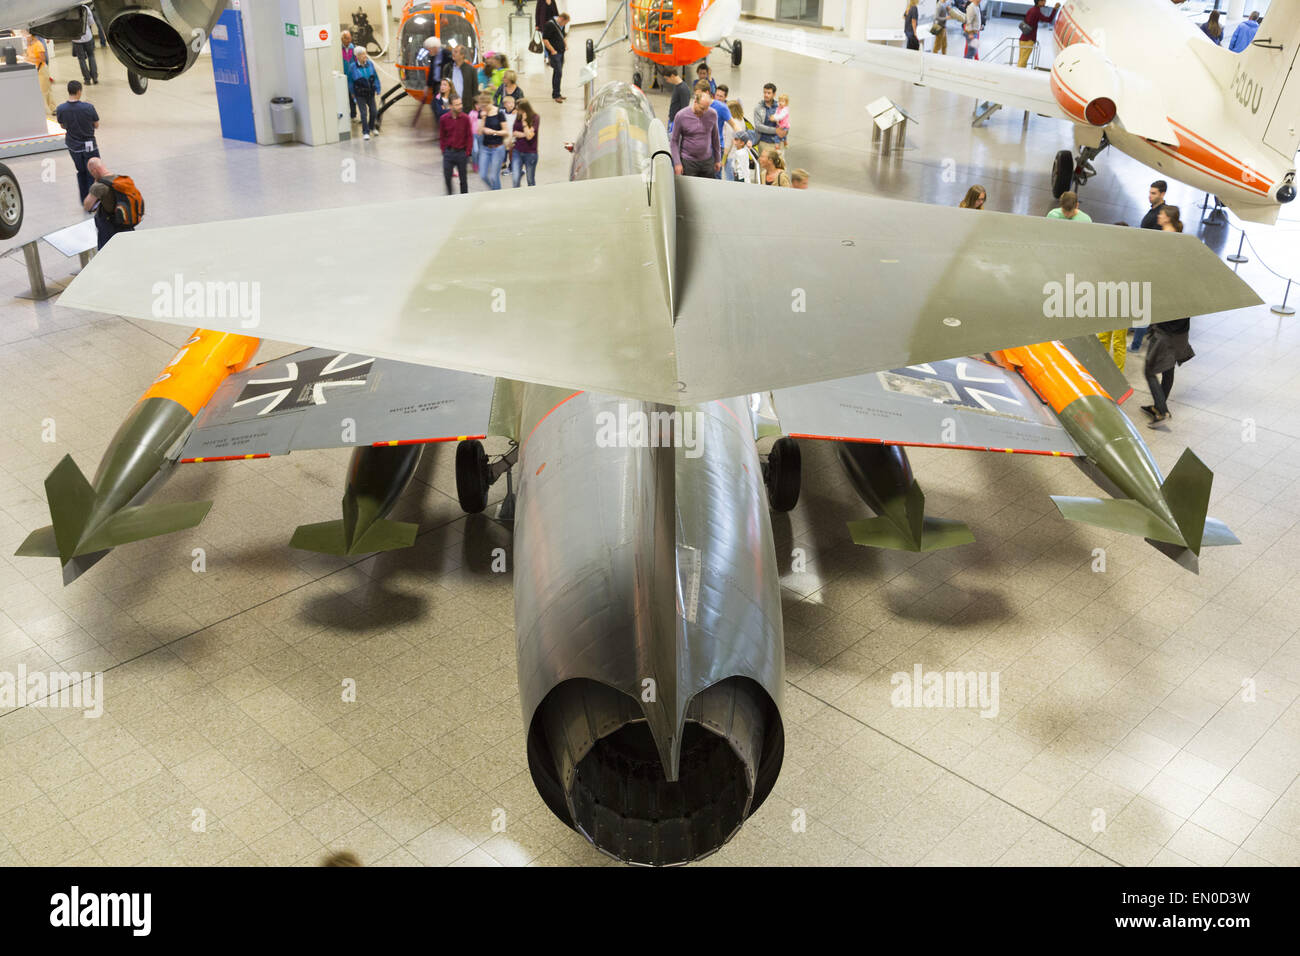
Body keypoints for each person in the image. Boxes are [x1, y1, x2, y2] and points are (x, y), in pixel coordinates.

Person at [83, 157, 142, 250]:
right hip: (126, 224)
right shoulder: (120, 179)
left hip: (110, 229)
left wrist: (94, 186)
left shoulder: (99, 186)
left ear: (94, 171)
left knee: (108, 253)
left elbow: (87, 206)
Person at [56, 80, 99, 203]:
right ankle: (94, 201)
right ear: (79, 91)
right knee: (93, 171)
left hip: (73, 145)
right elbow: (96, 125)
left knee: (81, 171)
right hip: (89, 145)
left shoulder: (61, 109)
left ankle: (85, 199)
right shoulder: (88, 107)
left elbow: (63, 126)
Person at [671, 89, 721, 178]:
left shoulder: (712, 114)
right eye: (702, 108)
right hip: (688, 162)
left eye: (707, 109)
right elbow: (674, 141)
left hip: (707, 162)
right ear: (695, 102)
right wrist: (677, 163)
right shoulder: (681, 116)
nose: (704, 112)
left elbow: (715, 138)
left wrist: (717, 159)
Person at [439, 95, 472, 194]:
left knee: (463, 180)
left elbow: (469, 136)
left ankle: (464, 199)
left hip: (461, 153)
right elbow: (442, 136)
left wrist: (467, 153)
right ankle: (450, 198)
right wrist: (444, 150)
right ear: (450, 106)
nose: (460, 106)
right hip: (449, 153)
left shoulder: (465, 118)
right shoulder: (443, 119)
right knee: (447, 178)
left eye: (460, 103)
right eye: (457, 105)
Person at [347, 48, 382, 140]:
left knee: (374, 111)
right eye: (362, 54)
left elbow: (375, 76)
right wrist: (352, 94)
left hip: (370, 92)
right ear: (357, 56)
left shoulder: (370, 64)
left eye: (365, 54)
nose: (365, 56)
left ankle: (371, 127)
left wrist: (378, 88)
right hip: (359, 93)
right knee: (363, 113)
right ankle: (365, 132)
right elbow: (350, 81)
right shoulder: (352, 67)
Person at [477, 94, 508, 190]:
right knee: (482, 175)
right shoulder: (482, 113)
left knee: (494, 176)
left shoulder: (499, 113)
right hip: (485, 148)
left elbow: (506, 132)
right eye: (481, 107)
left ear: (489, 103)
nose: (483, 109)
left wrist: (493, 132)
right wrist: (483, 119)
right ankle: (494, 190)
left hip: (498, 148)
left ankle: (496, 194)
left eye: (484, 106)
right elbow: (479, 132)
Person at [1018, 1, 1059, 67]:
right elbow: (1048, 19)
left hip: (1023, 38)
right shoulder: (1036, 11)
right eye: (1044, 1)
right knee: (1022, 62)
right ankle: (1018, 75)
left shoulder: (1031, 9)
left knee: (1021, 60)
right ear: (1039, 1)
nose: (1045, 3)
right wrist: (1054, 9)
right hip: (1029, 40)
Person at [510, 98, 540, 187]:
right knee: (515, 179)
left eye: (519, 109)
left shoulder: (535, 118)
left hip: (530, 153)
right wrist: (525, 134)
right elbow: (514, 133)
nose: (517, 111)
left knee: (530, 180)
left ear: (525, 109)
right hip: (517, 151)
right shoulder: (517, 117)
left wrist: (524, 123)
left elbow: (530, 137)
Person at [26, 33, 57, 115]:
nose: (25, 37)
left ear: (32, 36)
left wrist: (29, 59)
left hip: (42, 70)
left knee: (46, 90)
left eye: (26, 36)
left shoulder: (38, 45)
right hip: (34, 70)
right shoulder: (29, 45)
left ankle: (53, 108)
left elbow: (42, 59)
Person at [543, 13, 569, 103]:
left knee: (558, 73)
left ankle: (557, 93)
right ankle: (556, 95)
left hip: (561, 52)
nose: (564, 25)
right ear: (561, 19)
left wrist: (565, 45)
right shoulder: (549, 25)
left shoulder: (561, 25)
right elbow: (545, 39)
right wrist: (552, 51)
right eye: (564, 23)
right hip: (555, 53)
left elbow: (563, 36)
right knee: (558, 72)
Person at [448, 44, 479, 110]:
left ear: (462, 55)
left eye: (456, 52)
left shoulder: (471, 70)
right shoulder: (448, 68)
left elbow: (475, 89)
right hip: (451, 105)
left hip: (466, 106)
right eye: (453, 51)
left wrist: (475, 103)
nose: (453, 53)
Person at [72, 7, 97, 85]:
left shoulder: (69, 10)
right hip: (87, 36)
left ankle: (87, 79)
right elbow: (91, 22)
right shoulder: (85, 8)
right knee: (91, 56)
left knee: (81, 59)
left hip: (76, 39)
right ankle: (95, 77)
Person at [536, 0, 560, 66]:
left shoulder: (553, 1)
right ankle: (546, 57)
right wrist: (537, 24)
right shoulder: (540, 1)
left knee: (551, 41)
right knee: (546, 41)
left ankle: (551, 56)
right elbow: (537, 13)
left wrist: (559, 22)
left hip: (552, 25)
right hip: (543, 25)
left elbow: (556, 12)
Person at [341, 31, 357, 123]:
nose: (349, 40)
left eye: (350, 38)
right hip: (343, 76)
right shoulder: (339, 49)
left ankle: (353, 115)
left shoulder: (352, 48)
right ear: (342, 39)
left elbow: (355, 61)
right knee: (343, 95)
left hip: (351, 77)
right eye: (347, 38)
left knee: (352, 95)